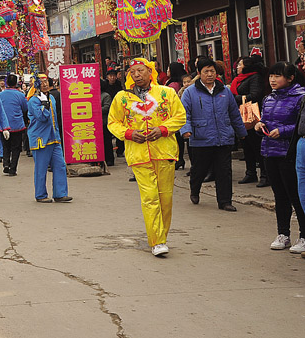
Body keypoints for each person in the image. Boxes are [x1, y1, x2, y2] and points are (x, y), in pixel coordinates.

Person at [108, 59, 186, 257]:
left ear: (150, 72)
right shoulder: (122, 97)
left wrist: (162, 129)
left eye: (140, 70)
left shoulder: (166, 93)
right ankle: (157, 241)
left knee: (165, 198)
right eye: (132, 72)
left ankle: (162, 236)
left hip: (164, 152)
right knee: (150, 198)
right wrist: (128, 133)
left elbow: (180, 116)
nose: (136, 75)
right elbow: (113, 122)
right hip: (139, 154)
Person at [180, 58, 247, 211]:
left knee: (224, 170)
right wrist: (186, 130)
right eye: (206, 72)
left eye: (212, 71)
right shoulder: (190, 92)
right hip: (200, 137)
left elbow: (234, 113)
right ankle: (195, 190)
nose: (210, 75)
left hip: (223, 137)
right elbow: (184, 114)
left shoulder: (224, 91)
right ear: (199, 73)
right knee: (199, 169)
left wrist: (241, 132)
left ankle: (225, 201)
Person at [256, 62, 305, 253]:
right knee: (279, 195)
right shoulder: (268, 98)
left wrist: (283, 131)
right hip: (270, 150)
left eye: (278, 76)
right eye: (271, 76)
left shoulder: (301, 97)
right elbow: (265, 119)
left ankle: (303, 235)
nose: (273, 80)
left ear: (291, 78)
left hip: (290, 152)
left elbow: (301, 126)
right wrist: (261, 125)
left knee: (297, 194)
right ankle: (283, 234)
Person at [28, 76, 71, 202]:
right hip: (40, 139)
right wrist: (44, 105)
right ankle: (41, 195)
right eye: (41, 83)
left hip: (54, 137)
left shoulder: (51, 97)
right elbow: (41, 117)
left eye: (46, 81)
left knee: (60, 166)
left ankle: (60, 194)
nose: (44, 84)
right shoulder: (33, 101)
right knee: (41, 169)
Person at [230, 56, 267, 185]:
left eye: (240, 65)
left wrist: (237, 98)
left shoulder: (255, 77)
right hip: (241, 115)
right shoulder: (238, 80)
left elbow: (256, 95)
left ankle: (264, 175)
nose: (237, 67)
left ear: (247, 66)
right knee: (246, 145)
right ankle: (250, 173)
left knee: (256, 144)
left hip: (253, 115)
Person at [0, 74, 28, 176]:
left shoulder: (0, 95)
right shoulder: (20, 95)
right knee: (16, 148)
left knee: (6, 146)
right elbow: (25, 108)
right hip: (17, 125)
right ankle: (13, 168)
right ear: (16, 83)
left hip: (3, 125)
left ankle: (6, 164)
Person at [101, 69, 125, 158]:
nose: (112, 78)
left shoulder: (119, 85)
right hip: (109, 113)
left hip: (118, 111)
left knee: (119, 132)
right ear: (107, 77)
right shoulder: (105, 86)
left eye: (114, 76)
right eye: (110, 76)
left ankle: (120, 150)